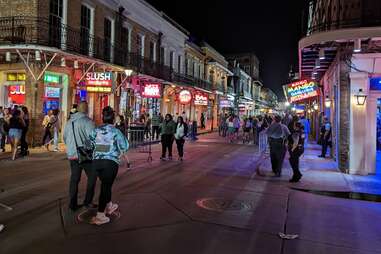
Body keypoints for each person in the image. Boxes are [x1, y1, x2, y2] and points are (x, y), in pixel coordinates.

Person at [89, 106, 129, 225]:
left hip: (96, 162)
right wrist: (112, 148)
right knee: (106, 186)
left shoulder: (95, 130)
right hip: (110, 162)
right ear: (113, 118)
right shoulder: (115, 131)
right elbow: (125, 146)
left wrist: (100, 149)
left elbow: (89, 143)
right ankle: (100, 215)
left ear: (103, 118)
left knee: (106, 184)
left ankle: (109, 205)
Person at [63, 102, 97, 211]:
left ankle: (72, 204)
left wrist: (72, 147)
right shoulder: (87, 121)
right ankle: (87, 201)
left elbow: (64, 138)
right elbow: (92, 139)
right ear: (86, 109)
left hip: (72, 155)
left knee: (74, 179)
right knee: (92, 177)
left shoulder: (69, 122)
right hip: (85, 155)